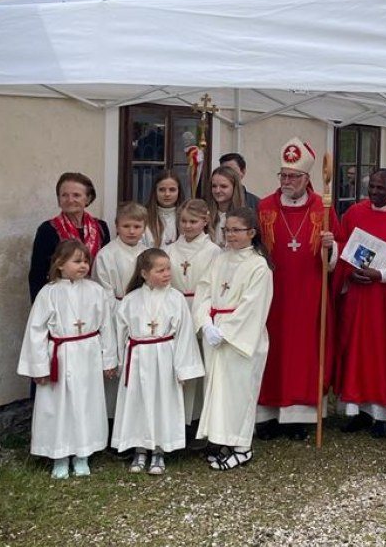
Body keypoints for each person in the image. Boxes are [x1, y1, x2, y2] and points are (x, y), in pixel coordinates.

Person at [256, 138, 339, 438]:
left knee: (304, 353)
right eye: (283, 175)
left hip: (309, 291)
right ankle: (267, 414)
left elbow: (335, 257)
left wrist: (333, 247)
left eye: (293, 176)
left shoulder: (322, 207)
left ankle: (300, 418)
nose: (287, 181)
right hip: (274, 293)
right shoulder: (265, 207)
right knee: (272, 350)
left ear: (307, 179)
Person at [18, 239, 118, 478]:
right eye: (77, 261)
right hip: (61, 357)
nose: (83, 265)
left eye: (86, 261)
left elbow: (106, 326)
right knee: (58, 406)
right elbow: (36, 331)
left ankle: (83, 453)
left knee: (87, 403)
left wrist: (109, 361)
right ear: (60, 264)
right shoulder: (49, 293)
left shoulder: (96, 291)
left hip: (88, 354)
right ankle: (60, 455)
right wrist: (39, 367)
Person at [333, 169, 386, 437]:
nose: (374, 192)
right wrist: (349, 271)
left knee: (381, 356)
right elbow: (343, 246)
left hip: (384, 303)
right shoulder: (355, 214)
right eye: (371, 187)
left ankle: (382, 416)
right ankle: (356, 412)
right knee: (354, 353)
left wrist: (381, 274)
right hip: (357, 298)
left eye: (381, 188)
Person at [194, 206, 273, 470]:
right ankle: (223, 440)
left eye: (237, 230)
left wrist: (225, 332)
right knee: (219, 391)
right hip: (214, 332)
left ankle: (243, 446)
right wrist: (205, 324)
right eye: (227, 230)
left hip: (239, 338)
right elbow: (204, 291)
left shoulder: (258, 266)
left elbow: (254, 307)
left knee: (240, 392)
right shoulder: (219, 259)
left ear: (251, 233)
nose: (230, 235)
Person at [112, 248, 203, 474]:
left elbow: (184, 335)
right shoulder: (130, 300)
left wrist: (183, 369)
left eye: (167, 269)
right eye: (160, 270)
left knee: (163, 402)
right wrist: (118, 362)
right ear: (144, 273)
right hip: (139, 357)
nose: (166, 274)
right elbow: (119, 333)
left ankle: (160, 450)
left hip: (165, 358)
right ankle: (140, 448)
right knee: (138, 402)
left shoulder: (176, 299)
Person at [167, 199, 221, 427]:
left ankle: (200, 420)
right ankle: (178, 420)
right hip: (176, 308)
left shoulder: (214, 251)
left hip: (202, 308)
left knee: (203, 365)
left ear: (205, 221)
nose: (187, 226)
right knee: (180, 363)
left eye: (193, 221)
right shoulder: (169, 249)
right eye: (183, 221)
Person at [92, 201, 148, 415]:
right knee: (117, 367)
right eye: (126, 226)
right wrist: (120, 312)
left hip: (144, 315)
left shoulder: (149, 252)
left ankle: (136, 416)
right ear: (117, 226)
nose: (132, 231)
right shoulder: (107, 254)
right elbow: (103, 291)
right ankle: (113, 417)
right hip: (116, 313)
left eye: (137, 226)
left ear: (144, 227)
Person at [28, 172, 110, 301]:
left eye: (76, 195)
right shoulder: (47, 229)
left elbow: (106, 267)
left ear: (88, 198)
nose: (70, 200)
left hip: (95, 297)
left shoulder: (101, 227)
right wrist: (41, 305)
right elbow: (37, 274)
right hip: (61, 299)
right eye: (64, 195)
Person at [206, 164, 245, 248]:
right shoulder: (205, 214)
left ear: (234, 188)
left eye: (223, 186)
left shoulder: (244, 217)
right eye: (214, 186)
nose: (217, 190)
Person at [144, 170, 184, 248]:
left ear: (179, 191)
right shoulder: (143, 216)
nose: (167, 194)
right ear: (155, 191)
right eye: (162, 190)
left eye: (172, 190)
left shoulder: (187, 217)